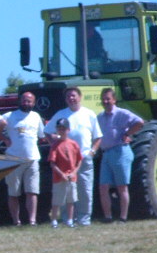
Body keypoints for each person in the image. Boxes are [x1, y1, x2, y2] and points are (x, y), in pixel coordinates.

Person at [43, 86, 102, 225]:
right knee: (66, 191)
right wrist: (55, 145)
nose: (71, 98)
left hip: (84, 158)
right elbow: (47, 131)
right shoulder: (60, 114)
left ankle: (84, 219)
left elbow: (98, 136)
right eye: (68, 96)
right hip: (65, 161)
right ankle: (67, 219)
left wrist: (92, 151)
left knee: (85, 190)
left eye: (73, 95)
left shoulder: (89, 114)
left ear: (80, 97)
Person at [96, 87, 145, 222]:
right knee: (103, 186)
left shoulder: (122, 113)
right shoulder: (99, 117)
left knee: (121, 187)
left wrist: (128, 134)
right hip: (106, 153)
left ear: (114, 100)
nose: (106, 101)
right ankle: (108, 217)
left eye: (108, 99)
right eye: (104, 99)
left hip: (120, 152)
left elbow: (140, 122)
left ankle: (123, 217)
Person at [1, 90, 46, 226]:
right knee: (13, 193)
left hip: (32, 159)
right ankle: (16, 221)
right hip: (13, 159)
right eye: (24, 100)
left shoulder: (36, 117)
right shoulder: (9, 116)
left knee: (32, 191)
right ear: (20, 101)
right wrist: (4, 139)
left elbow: (42, 135)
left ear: (33, 103)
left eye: (29, 101)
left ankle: (32, 221)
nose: (26, 103)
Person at [48, 117, 82, 228]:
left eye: (64, 129)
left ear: (68, 130)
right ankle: (54, 221)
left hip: (71, 177)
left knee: (71, 200)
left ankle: (70, 220)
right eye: (59, 129)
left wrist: (74, 172)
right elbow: (52, 163)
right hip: (59, 178)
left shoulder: (73, 144)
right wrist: (61, 174)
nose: (62, 131)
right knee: (57, 201)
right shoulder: (55, 145)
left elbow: (79, 160)